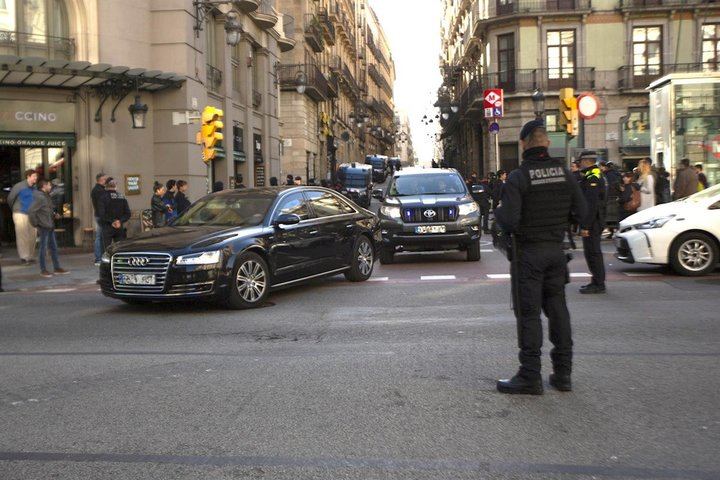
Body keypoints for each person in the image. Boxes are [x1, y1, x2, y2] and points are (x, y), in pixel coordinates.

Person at [494, 120, 586, 395]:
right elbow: (581, 214)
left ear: (524, 144)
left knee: (529, 314)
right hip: (556, 252)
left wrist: (499, 213)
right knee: (558, 310)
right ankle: (563, 374)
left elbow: (508, 221)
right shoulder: (564, 173)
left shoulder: (519, 177)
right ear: (547, 142)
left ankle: (530, 375)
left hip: (528, 254)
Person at [578, 151, 607, 294]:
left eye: (581, 161)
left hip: (593, 222)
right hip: (594, 220)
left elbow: (591, 204)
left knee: (593, 253)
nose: (580, 164)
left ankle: (599, 283)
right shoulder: (592, 174)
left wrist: (585, 226)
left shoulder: (593, 177)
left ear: (587, 161)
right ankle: (596, 280)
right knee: (591, 252)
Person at [28, 179, 68, 277]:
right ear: (44, 186)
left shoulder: (46, 196)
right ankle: (43, 269)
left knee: (53, 247)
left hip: (49, 225)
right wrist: (36, 224)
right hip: (44, 226)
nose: (51, 187)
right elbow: (31, 211)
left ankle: (57, 268)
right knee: (43, 248)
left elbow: (47, 209)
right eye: (49, 185)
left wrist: (54, 214)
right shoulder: (40, 197)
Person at [7, 169, 39, 264]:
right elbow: (10, 199)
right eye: (34, 176)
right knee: (22, 236)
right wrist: (15, 208)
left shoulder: (34, 188)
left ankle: (30, 256)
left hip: (32, 214)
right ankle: (24, 257)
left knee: (33, 236)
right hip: (20, 213)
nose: (36, 178)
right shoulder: (19, 186)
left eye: (36, 176)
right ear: (28, 176)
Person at [98, 178, 131, 250]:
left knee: (106, 250)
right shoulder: (122, 197)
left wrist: (112, 221)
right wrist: (119, 221)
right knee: (120, 250)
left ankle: (107, 261)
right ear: (115, 186)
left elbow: (101, 214)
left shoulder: (102, 197)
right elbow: (128, 214)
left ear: (106, 186)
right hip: (119, 227)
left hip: (107, 227)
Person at [90, 173, 108, 265]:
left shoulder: (96, 189)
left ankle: (99, 257)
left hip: (99, 215)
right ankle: (98, 258)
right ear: (101, 180)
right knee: (99, 237)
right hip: (101, 216)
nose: (106, 181)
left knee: (100, 237)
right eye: (105, 179)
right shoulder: (99, 190)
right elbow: (103, 204)